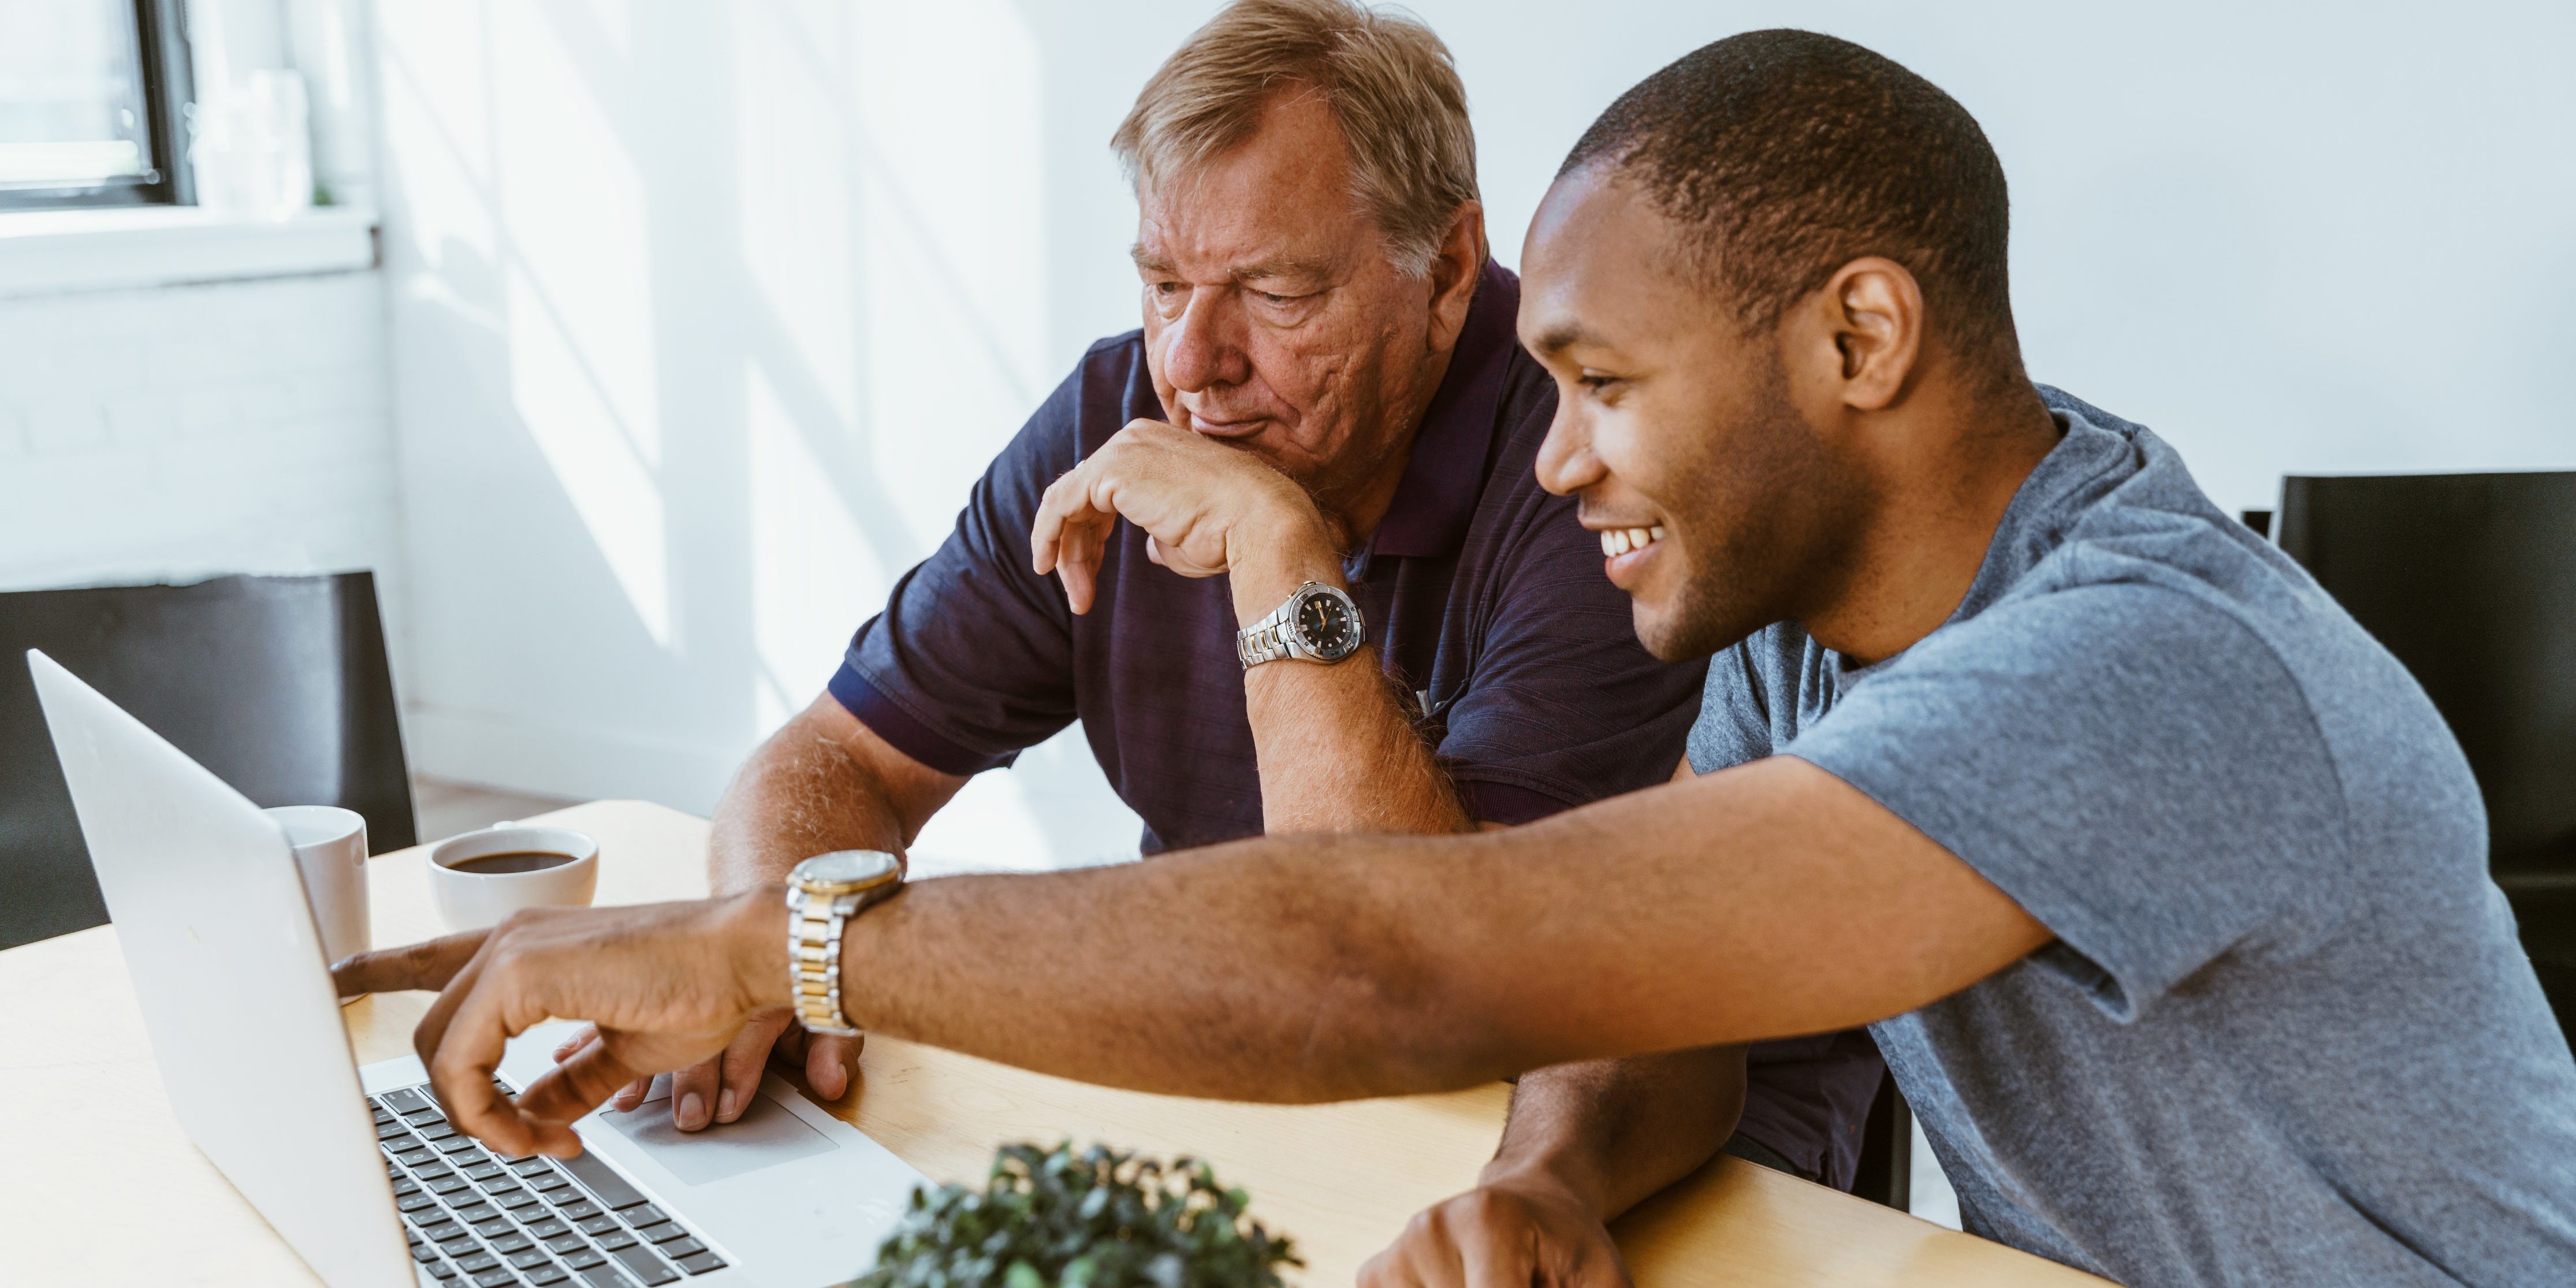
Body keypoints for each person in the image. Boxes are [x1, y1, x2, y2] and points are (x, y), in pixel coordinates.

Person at [337, 27, 2576, 1288]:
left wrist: (768, 944)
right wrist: (1560, 1168)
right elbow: (1655, 1010)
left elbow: (1402, 957)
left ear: (1856, 338)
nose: (1568, 459)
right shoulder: (1806, 636)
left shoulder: (2134, 662)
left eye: (1601, 385)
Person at [643, 0, 1879, 1203]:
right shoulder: (1119, 412)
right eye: (1164, 282)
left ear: (1447, 269)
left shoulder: (1595, 452)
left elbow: (1428, 985)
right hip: (1261, 1073)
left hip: (1644, 1143)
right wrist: (768, 954)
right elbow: (832, 756)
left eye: (1275, 295)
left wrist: (1277, 548)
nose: (1189, 364)